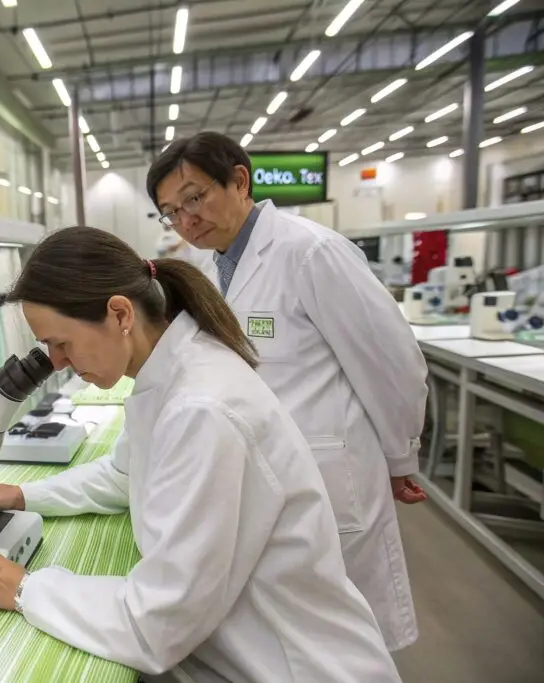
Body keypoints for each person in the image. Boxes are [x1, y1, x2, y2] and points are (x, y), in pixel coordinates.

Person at [0, 226, 402, 683]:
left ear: (119, 313)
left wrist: (26, 588)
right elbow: (123, 476)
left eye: (62, 342)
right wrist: (21, 496)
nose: (57, 361)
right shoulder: (170, 373)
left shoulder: (201, 407)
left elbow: (158, 624)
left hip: (293, 665)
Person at [145, 131, 429, 652]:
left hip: (330, 470)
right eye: (170, 211)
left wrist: (399, 457)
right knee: (294, 634)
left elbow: (392, 364)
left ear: (239, 180)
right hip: (263, 472)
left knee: (351, 638)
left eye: (194, 198)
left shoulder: (311, 252)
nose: (185, 220)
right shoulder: (210, 269)